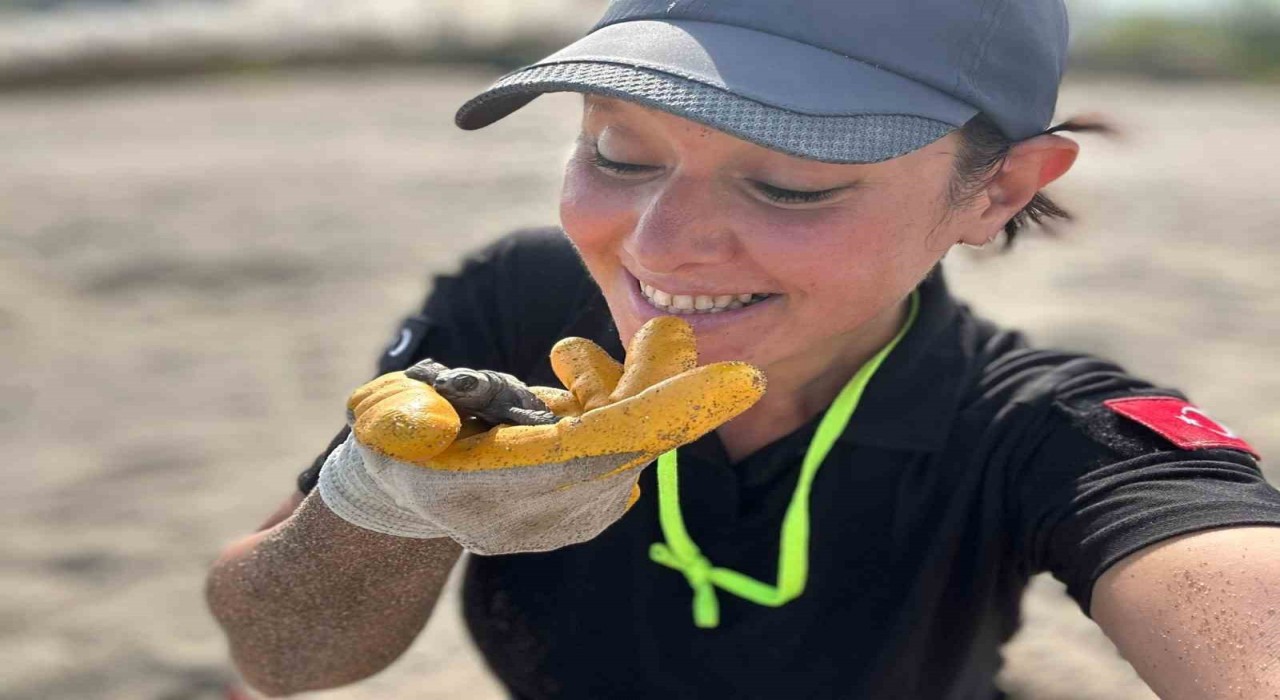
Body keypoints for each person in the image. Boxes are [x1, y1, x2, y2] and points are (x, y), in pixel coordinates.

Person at [206, 1, 1280, 698]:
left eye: (790, 183)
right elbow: (281, 658)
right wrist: (381, 507)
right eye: (616, 151)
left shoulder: (1037, 428)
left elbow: (1222, 577)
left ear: (996, 189)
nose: (655, 244)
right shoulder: (521, 303)